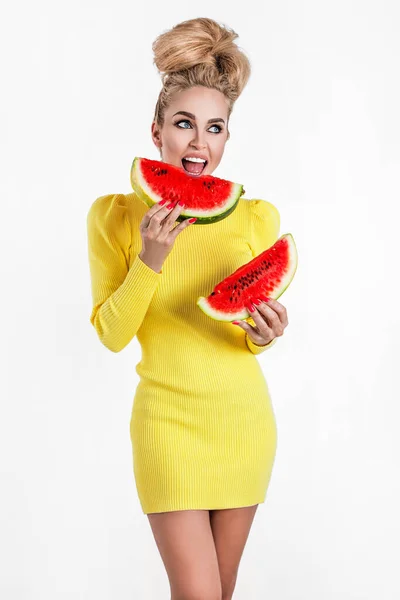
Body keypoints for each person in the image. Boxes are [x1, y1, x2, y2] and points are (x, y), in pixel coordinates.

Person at [86, 17, 289, 600]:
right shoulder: (115, 217)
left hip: (242, 424)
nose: (199, 144)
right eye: (184, 124)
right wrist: (150, 258)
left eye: (215, 128)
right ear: (156, 132)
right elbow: (111, 334)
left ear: (227, 138)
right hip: (168, 428)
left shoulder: (255, 218)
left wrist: (265, 333)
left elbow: (245, 333)